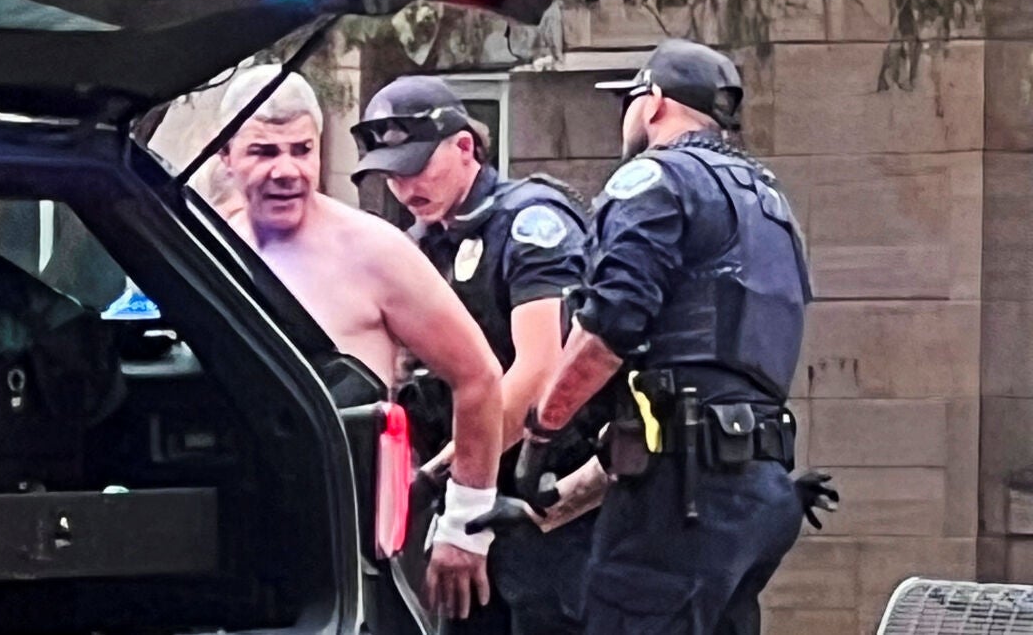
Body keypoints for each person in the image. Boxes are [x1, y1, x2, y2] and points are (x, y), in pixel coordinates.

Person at [516, 38, 814, 634]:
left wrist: (541, 432)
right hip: (758, 492)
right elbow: (682, 403)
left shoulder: (655, 178)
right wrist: (546, 509)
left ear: (653, 102)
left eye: (628, 102)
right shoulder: (768, 201)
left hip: (683, 501)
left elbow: (608, 330)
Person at [214, 64, 506, 621]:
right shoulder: (209, 248)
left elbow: (479, 376)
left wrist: (466, 523)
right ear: (226, 156)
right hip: (240, 533)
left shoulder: (375, 251)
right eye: (264, 152)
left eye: (302, 150)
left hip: (355, 544)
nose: (286, 170)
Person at [349, 76, 614, 635]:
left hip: (545, 499)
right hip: (470, 496)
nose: (405, 186)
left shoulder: (530, 223)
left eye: (417, 166)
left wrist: (440, 476)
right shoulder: (423, 244)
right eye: (392, 174)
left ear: (465, 146)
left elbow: (540, 371)